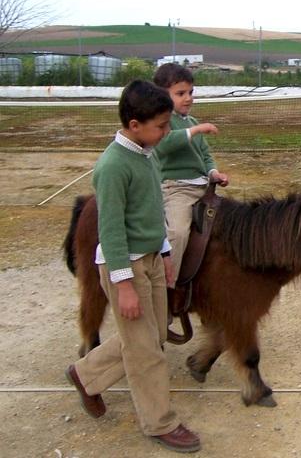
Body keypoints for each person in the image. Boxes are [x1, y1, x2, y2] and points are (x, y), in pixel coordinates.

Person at [65, 80, 201, 453]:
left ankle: (85, 374)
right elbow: (110, 230)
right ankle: (160, 423)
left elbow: (151, 209)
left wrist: (166, 252)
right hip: (124, 265)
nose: (165, 133)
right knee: (145, 350)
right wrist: (123, 284)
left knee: (152, 334)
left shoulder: (146, 153)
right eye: (160, 126)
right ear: (134, 123)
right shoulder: (112, 166)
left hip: (153, 260)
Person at [153, 63, 229, 288]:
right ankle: (168, 285)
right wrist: (195, 130)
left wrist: (214, 173)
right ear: (162, 95)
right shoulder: (162, 122)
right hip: (177, 189)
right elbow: (165, 144)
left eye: (190, 92)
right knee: (177, 232)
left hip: (203, 187)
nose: (188, 98)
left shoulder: (192, 122)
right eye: (180, 93)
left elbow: (205, 155)